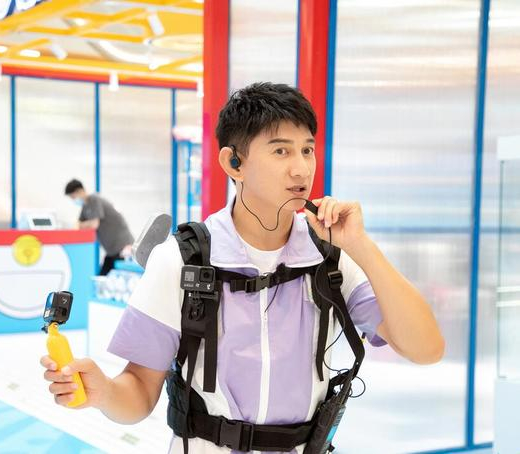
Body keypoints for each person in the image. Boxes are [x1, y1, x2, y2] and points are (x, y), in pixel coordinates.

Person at [45, 83, 445, 453]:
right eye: (281, 151)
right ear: (234, 162)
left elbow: (426, 349)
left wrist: (362, 246)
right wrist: (102, 392)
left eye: (307, 150)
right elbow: (139, 391)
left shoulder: (329, 259)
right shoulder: (183, 260)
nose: (302, 169)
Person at [64, 179, 134, 276]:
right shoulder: (85, 207)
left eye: (73, 197)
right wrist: (79, 225)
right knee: (102, 276)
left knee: (119, 276)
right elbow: (78, 224)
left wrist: (80, 225)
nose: (73, 200)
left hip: (123, 247)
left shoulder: (94, 199)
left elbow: (94, 224)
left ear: (80, 191)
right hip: (112, 251)